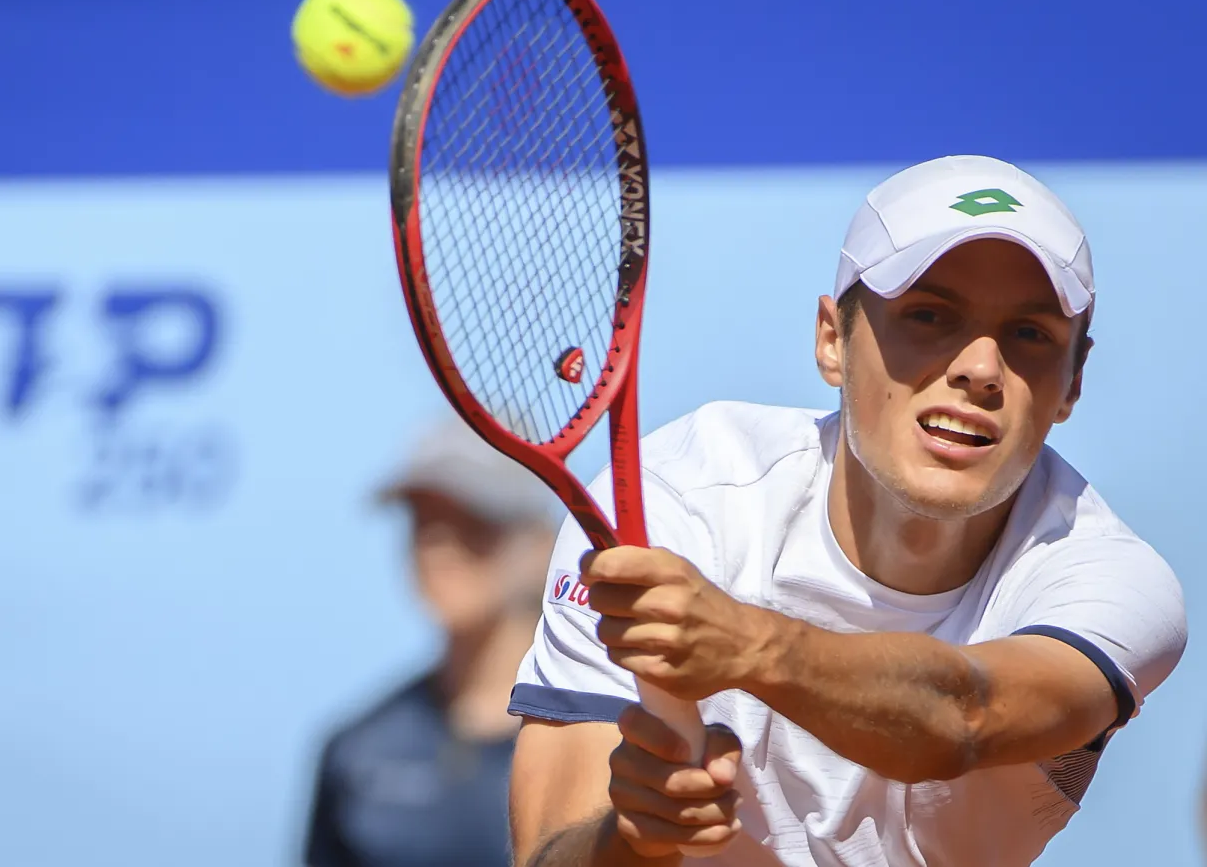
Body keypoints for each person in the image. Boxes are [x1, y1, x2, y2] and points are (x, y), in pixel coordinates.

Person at [507, 155, 1188, 867]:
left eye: (1029, 334)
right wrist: (633, 839)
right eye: (930, 315)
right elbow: (550, 853)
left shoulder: (1109, 577)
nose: (981, 368)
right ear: (832, 340)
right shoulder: (679, 494)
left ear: (1072, 382)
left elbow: (966, 716)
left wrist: (751, 644)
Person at [304, 416, 559, 867]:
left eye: (474, 521)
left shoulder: (606, 743)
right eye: (423, 522)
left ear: (541, 544)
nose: (439, 547)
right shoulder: (359, 751)